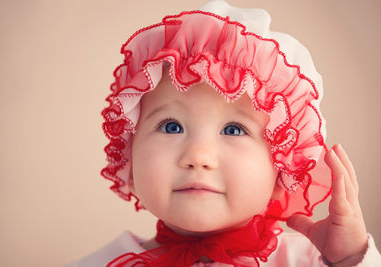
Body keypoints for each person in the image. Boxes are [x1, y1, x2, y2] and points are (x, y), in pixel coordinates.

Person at [67, 0, 381, 266]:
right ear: (129, 160)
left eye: (234, 129)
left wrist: (350, 258)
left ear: (282, 170)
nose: (198, 156)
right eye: (171, 126)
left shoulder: (312, 260)